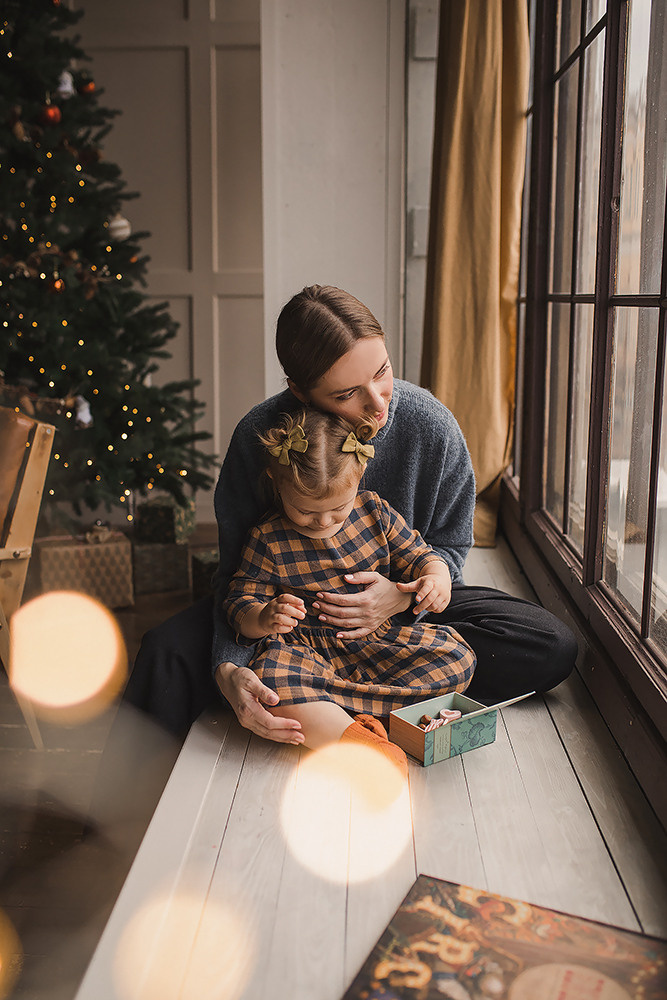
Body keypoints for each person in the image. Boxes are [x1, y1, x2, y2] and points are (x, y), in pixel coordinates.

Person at [126, 284, 577, 742]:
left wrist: (399, 598)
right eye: (346, 394)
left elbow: (449, 547)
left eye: (382, 372)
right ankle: (337, 704)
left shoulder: (431, 425)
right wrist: (229, 669)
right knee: (164, 654)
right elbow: (235, 580)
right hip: (294, 630)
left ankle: (331, 704)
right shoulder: (261, 437)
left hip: (401, 608)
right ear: (300, 392)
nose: (378, 403)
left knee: (548, 644)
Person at [222, 407, 477, 771]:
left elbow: (421, 555)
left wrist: (435, 577)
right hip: (307, 654)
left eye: (338, 509)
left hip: (377, 642)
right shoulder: (268, 539)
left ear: (360, 476)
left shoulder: (375, 513)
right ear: (277, 484)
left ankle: (344, 718)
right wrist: (263, 617)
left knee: (458, 656)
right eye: (305, 511)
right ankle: (363, 744)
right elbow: (238, 601)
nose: (323, 521)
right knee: (270, 679)